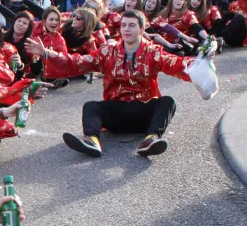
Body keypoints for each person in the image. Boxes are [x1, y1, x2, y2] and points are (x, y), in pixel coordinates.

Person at [27, 9, 197, 158]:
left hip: (144, 112)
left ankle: (151, 139)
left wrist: (200, 63)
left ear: (142, 29)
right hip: (116, 111)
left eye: (131, 25)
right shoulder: (108, 51)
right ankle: (92, 140)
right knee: (91, 106)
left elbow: (176, 63)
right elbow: (77, 62)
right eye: (123, 25)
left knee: (168, 102)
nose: (126, 29)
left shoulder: (153, 52)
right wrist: (46, 53)